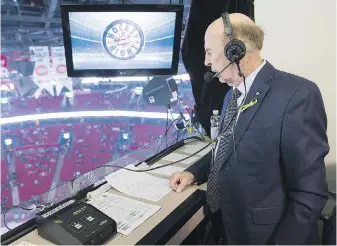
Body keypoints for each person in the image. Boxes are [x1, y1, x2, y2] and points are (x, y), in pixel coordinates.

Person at [170, 12, 329, 245]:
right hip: (229, 228)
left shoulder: (298, 95)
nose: (206, 61)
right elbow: (226, 147)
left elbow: (309, 192)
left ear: (235, 50)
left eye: (209, 51)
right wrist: (194, 172)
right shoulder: (232, 95)